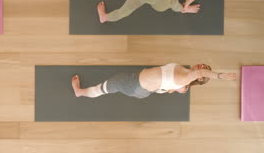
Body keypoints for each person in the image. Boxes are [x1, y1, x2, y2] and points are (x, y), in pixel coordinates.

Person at [71, 63, 236, 99]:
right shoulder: (184, 78)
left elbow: (200, 72)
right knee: (112, 83)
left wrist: (220, 75)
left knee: (106, 86)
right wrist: (176, 88)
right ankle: (81, 92)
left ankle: (80, 92)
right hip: (140, 85)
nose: (201, 66)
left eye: (204, 69)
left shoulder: (187, 77)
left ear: (200, 77)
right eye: (204, 65)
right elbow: (167, 88)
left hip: (135, 85)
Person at [97, 0, 212, 23]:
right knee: (175, 5)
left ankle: (104, 17)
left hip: (159, 1)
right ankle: (104, 17)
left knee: (175, 5)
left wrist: (186, 7)